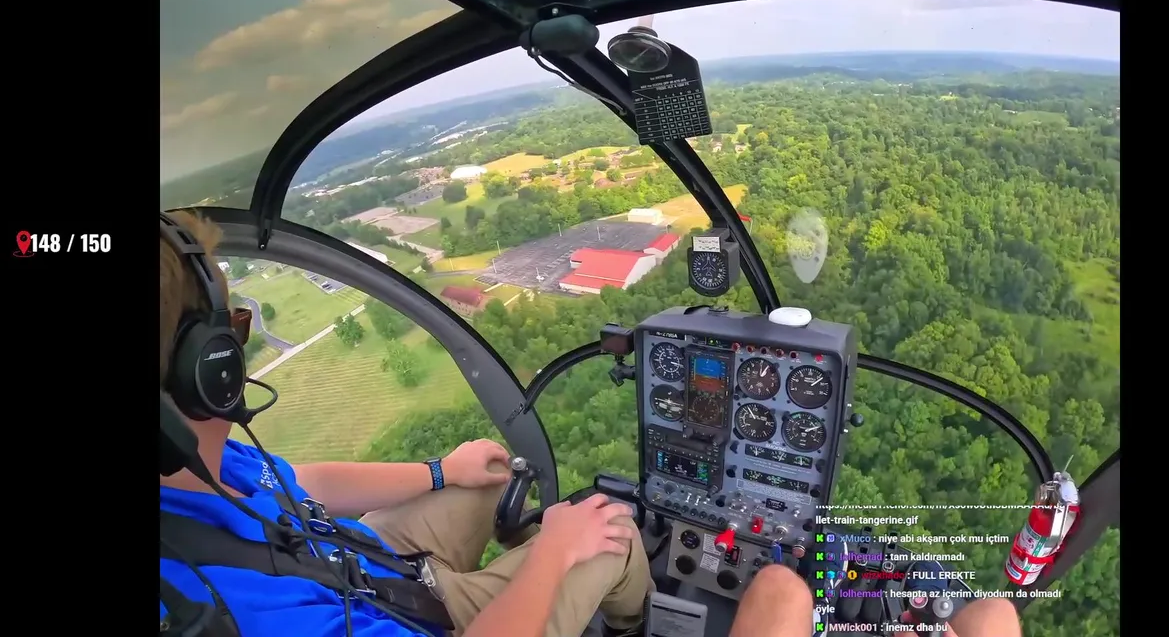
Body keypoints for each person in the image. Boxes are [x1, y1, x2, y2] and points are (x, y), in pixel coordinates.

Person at [158, 210, 818, 637]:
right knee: (632, 540)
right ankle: (628, 624)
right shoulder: (217, 610)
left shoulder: (199, 466)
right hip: (399, 611)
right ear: (205, 368)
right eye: (235, 327)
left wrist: (441, 470)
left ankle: (518, 560)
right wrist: (555, 551)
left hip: (363, 565)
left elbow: (302, 482)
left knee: (486, 476)